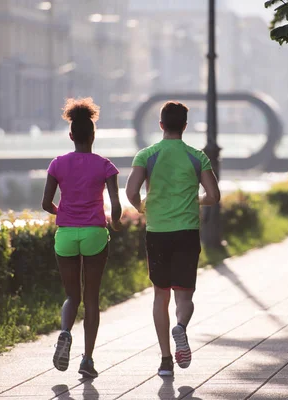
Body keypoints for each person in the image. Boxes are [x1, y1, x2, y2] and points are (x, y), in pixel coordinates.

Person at [125, 101, 221, 377]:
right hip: (187, 232)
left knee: (160, 294)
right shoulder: (197, 157)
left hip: (157, 232)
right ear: (185, 126)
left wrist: (143, 205)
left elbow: (131, 192)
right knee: (185, 294)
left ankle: (166, 360)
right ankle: (181, 326)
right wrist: (197, 200)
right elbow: (213, 196)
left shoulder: (147, 155)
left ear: (161, 125)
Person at [42, 97, 123, 379]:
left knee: (71, 295)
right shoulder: (105, 166)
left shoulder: (58, 164)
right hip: (94, 234)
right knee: (91, 298)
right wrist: (116, 223)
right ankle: (87, 360)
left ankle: (64, 332)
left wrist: (62, 213)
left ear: (71, 135)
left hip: (65, 234)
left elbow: (45, 203)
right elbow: (115, 205)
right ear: (93, 136)